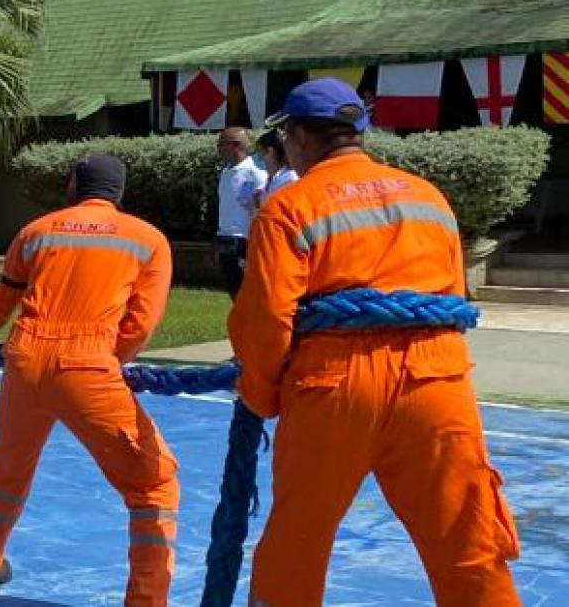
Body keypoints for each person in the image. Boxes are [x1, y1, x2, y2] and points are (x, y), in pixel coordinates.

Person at [231, 79, 519, 606]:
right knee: (467, 538)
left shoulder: (289, 207)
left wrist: (260, 393)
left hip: (334, 385)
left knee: (297, 543)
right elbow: (453, 293)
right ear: (358, 132)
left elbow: (267, 319)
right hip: (437, 380)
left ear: (297, 137)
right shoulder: (428, 198)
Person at [0, 152, 177, 600]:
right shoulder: (148, 240)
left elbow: (0, 303)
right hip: (89, 366)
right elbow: (142, 322)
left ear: (74, 184)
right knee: (154, 484)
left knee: (9, 466)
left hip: (25, 361)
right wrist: (111, 359)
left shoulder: (36, 232)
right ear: (119, 191)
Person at [215, 126, 268, 298]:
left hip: (243, 240)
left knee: (246, 292)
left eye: (222, 144)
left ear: (236, 145)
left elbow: (260, 208)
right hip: (225, 237)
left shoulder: (255, 173)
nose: (219, 148)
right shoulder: (226, 172)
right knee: (233, 289)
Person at [255, 128, 299, 201]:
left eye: (261, 155)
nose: (260, 160)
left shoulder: (290, 178)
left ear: (270, 151)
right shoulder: (272, 180)